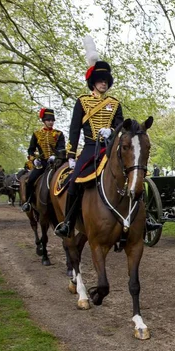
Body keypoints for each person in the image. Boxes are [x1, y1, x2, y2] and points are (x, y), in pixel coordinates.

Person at [54, 59, 123, 237]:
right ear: (93, 82)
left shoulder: (114, 103)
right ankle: (68, 222)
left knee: (131, 176)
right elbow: (74, 129)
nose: (103, 83)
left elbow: (121, 126)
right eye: (100, 80)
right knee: (74, 180)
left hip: (109, 148)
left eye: (106, 80)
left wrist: (112, 131)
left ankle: (141, 220)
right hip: (90, 148)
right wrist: (71, 153)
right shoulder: (83, 102)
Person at [21, 108, 65, 212]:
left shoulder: (59, 134)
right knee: (31, 180)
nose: (51, 122)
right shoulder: (37, 134)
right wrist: (34, 160)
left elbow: (61, 148)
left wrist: (56, 155)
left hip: (56, 163)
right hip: (42, 163)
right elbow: (31, 150)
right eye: (48, 120)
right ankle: (28, 202)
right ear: (44, 121)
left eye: (52, 120)